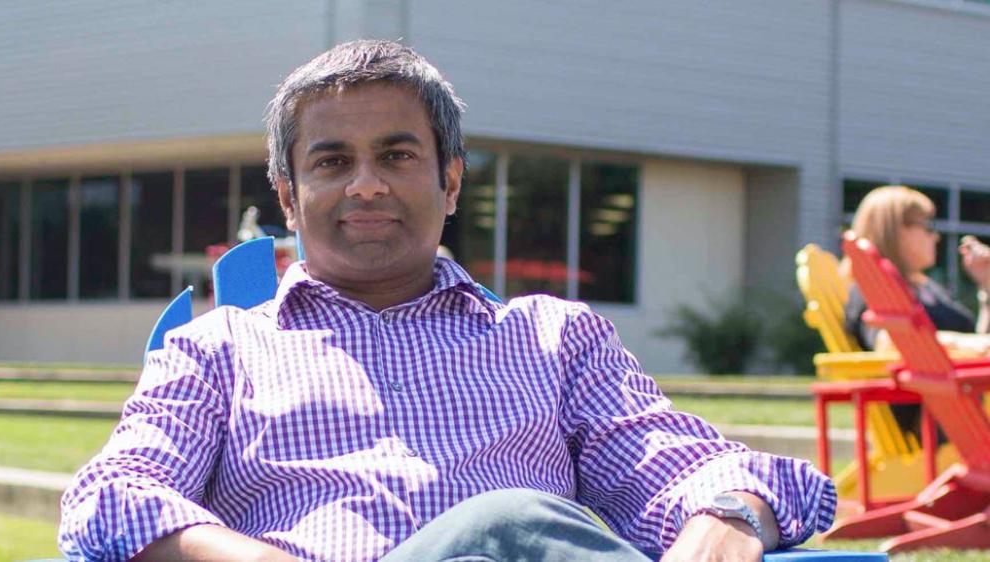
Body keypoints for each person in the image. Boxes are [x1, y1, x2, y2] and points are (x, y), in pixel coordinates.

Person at [59, 40, 835, 562]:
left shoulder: (553, 342)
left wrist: (729, 510)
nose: (366, 183)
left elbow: (701, 470)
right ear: (289, 199)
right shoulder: (218, 351)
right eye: (333, 161)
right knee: (512, 526)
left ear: (451, 180)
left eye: (397, 154)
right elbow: (111, 495)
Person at [843, 184, 990, 436]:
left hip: (965, 404)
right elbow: (887, 340)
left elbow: (976, 343)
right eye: (928, 227)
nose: (936, 237)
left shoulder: (926, 289)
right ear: (895, 230)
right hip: (932, 419)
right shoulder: (872, 291)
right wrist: (971, 345)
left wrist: (986, 285)